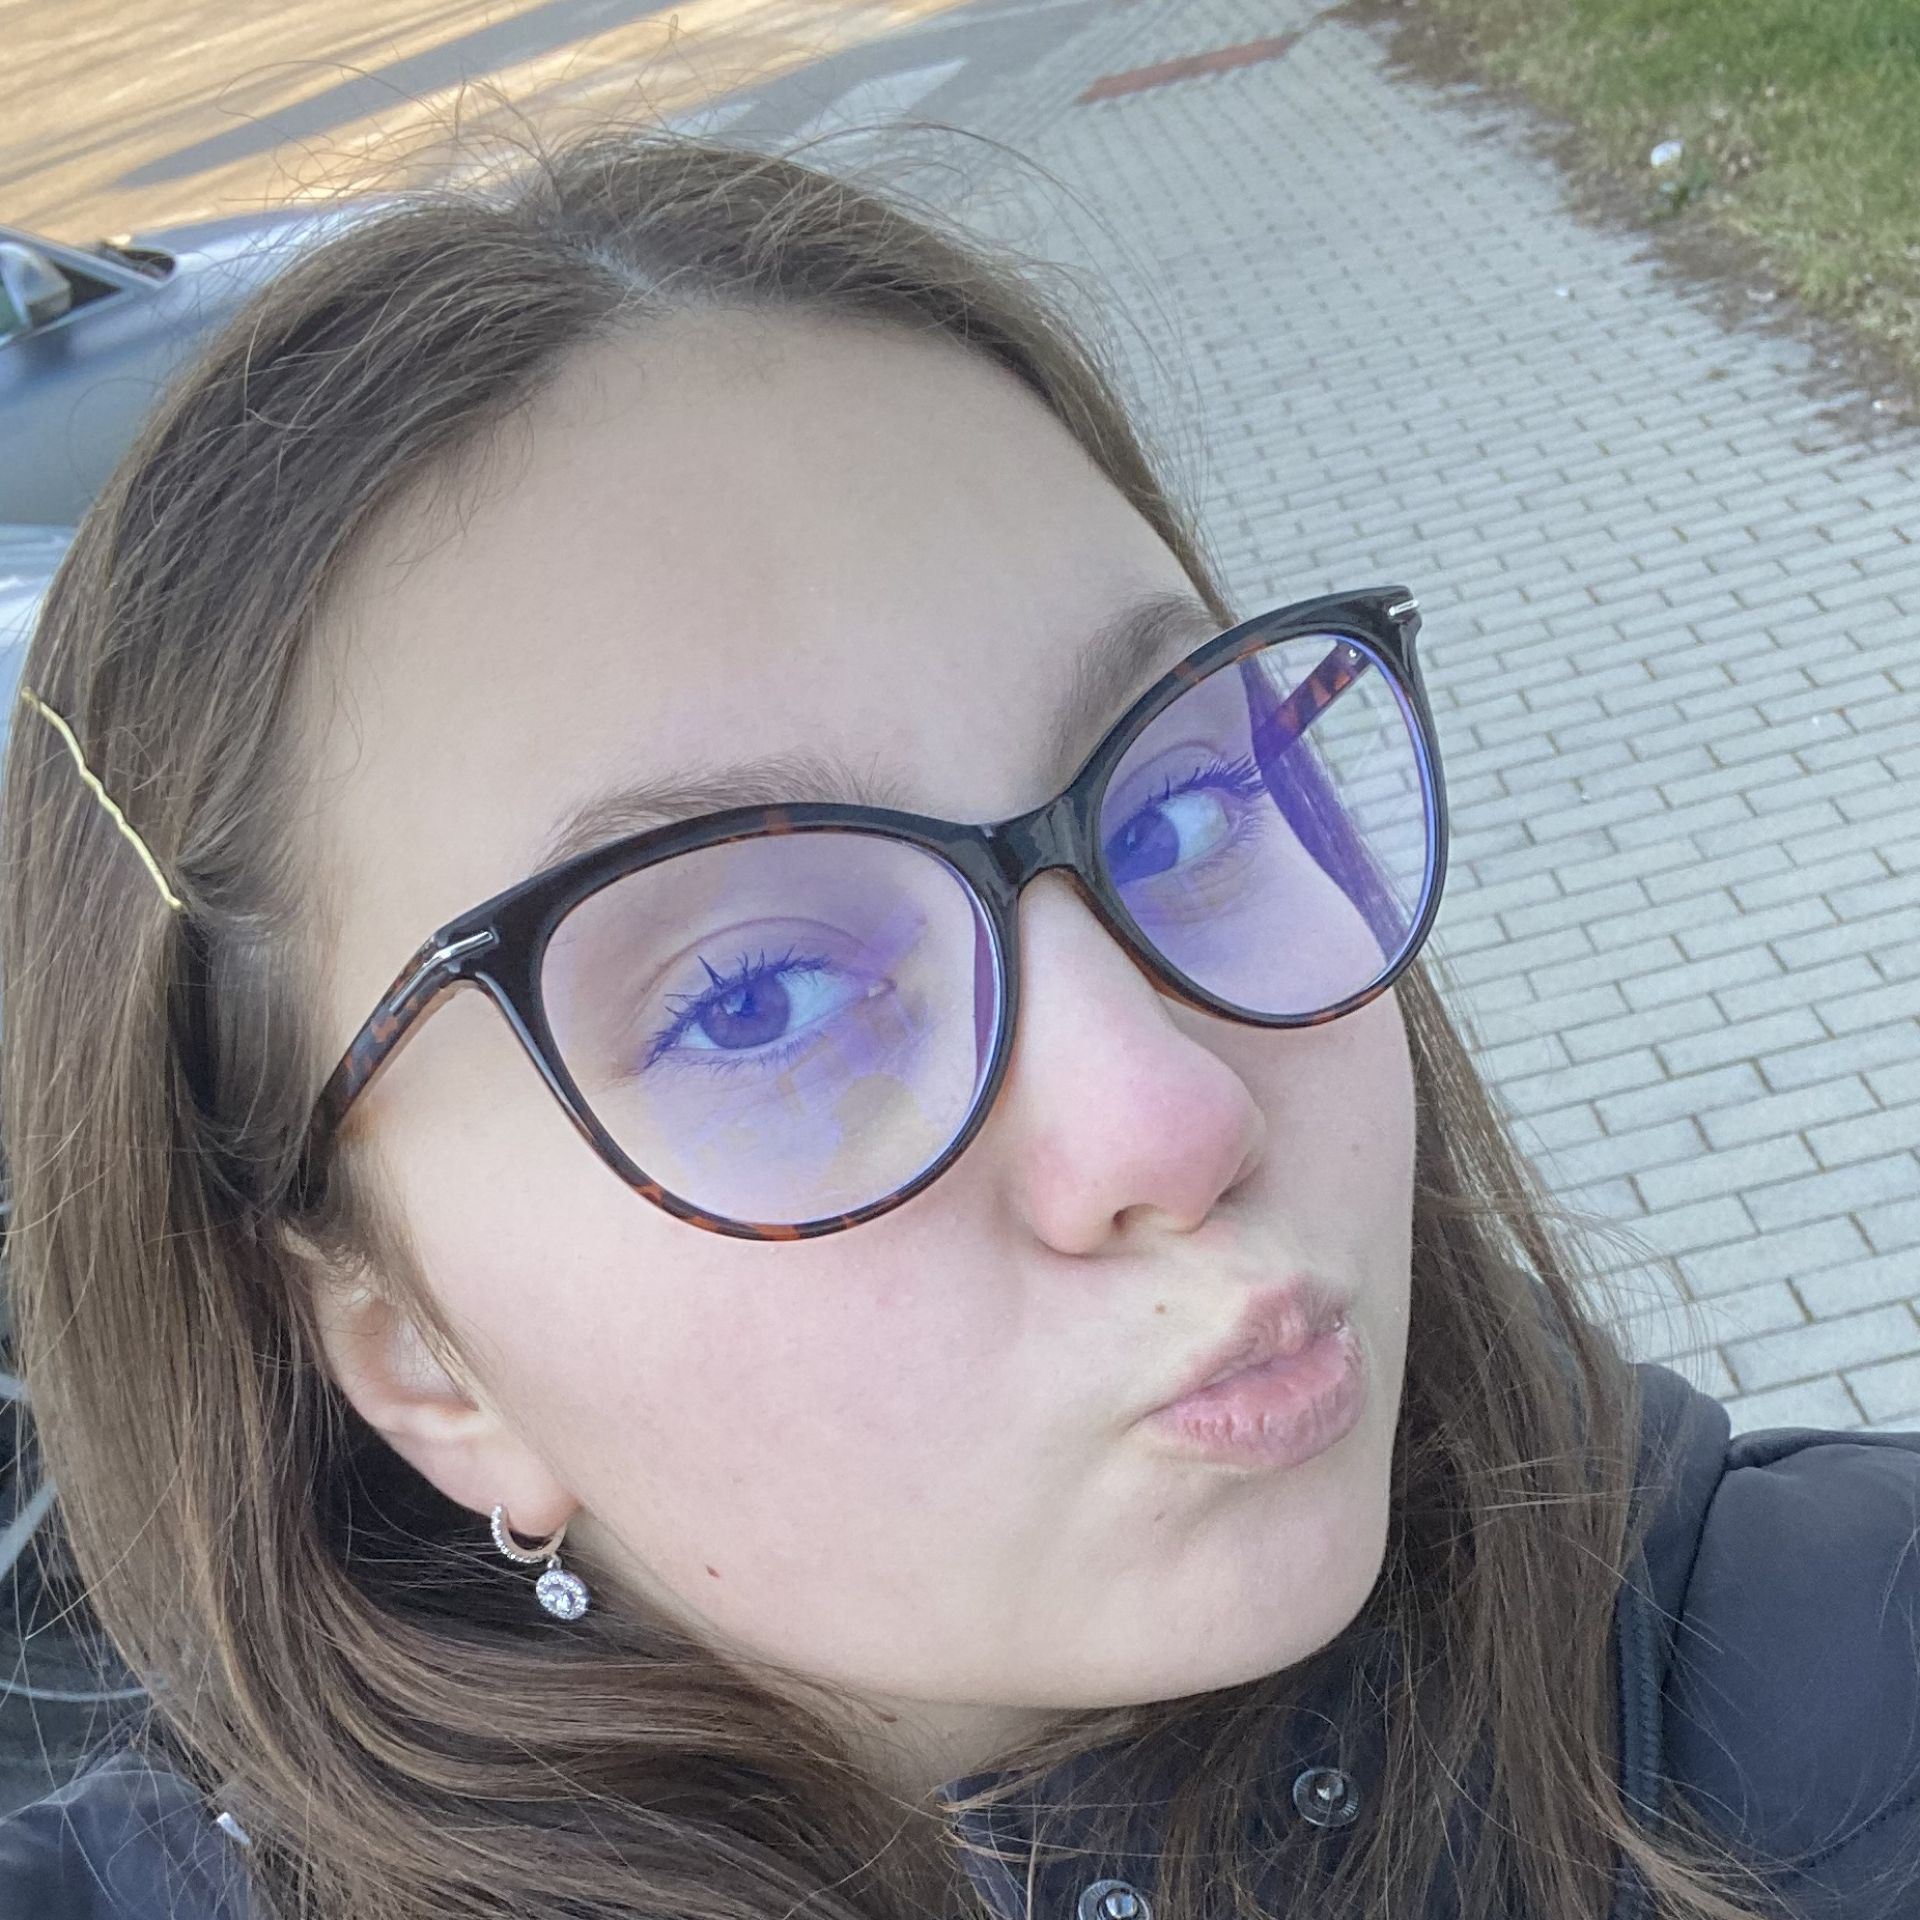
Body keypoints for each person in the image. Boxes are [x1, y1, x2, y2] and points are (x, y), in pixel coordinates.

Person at [0, 126, 1913, 1920]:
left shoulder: (1844, 1690)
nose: (1174, 1118)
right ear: (415, 1354)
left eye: (1183, 811)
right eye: (758, 998)